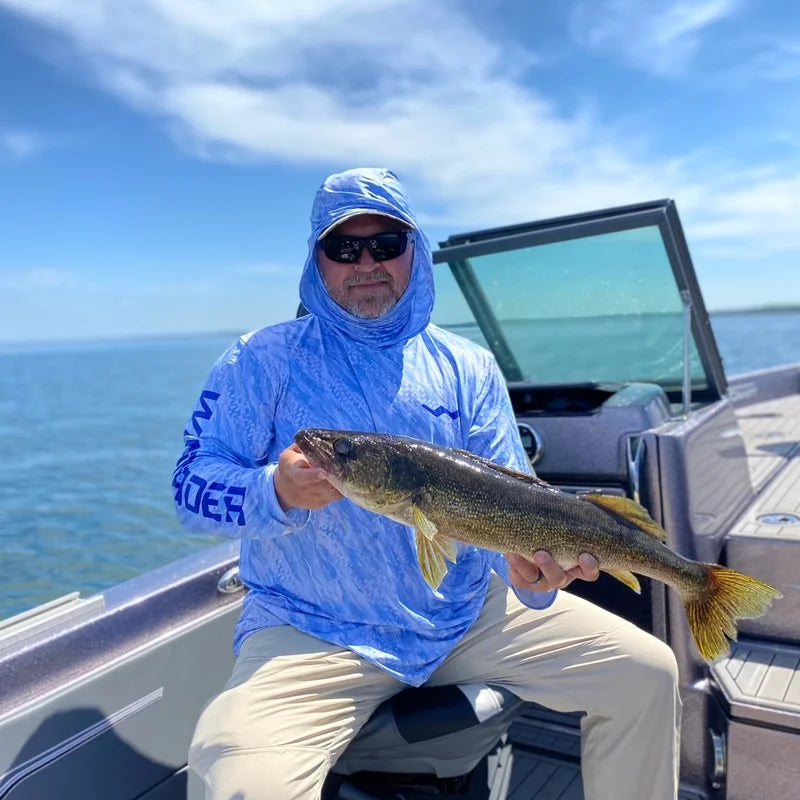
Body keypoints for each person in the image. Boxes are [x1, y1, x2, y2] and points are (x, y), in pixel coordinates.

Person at [172, 167, 681, 800]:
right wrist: (272, 492)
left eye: (386, 244)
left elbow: (513, 501)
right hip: (311, 626)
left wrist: (529, 574)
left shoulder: (467, 366)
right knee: (243, 784)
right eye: (343, 247)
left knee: (649, 674)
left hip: (464, 614)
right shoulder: (259, 359)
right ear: (316, 260)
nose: (366, 262)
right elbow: (191, 483)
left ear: (415, 249)